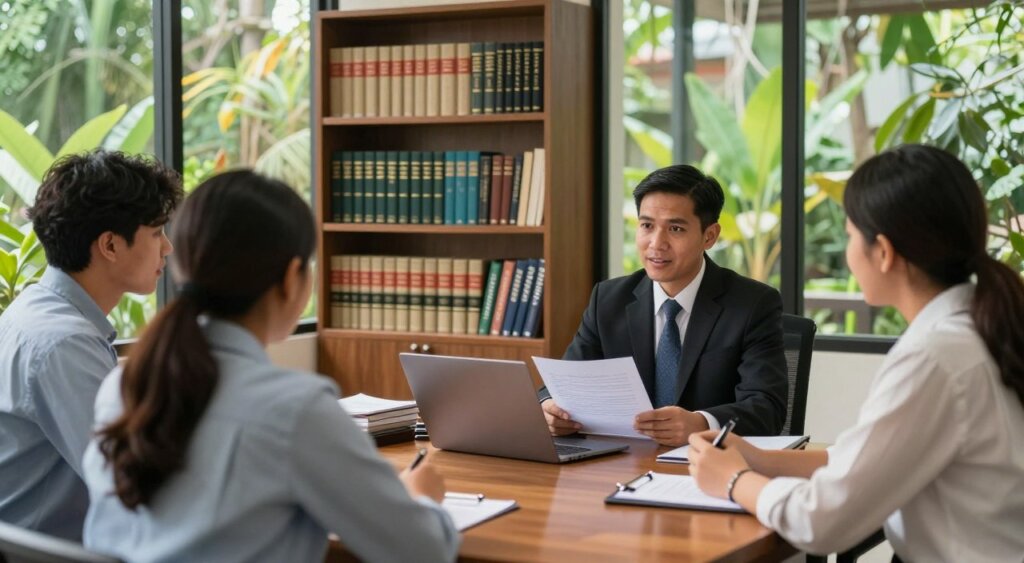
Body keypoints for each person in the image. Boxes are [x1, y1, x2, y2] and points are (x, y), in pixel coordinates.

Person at [81, 170, 459, 563]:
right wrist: (421, 499)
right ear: (291, 276)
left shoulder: (123, 384)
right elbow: (423, 551)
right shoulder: (296, 408)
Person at [687, 144, 1024, 561]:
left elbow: (820, 522)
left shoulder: (937, 356)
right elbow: (862, 459)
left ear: (883, 252)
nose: (847, 253)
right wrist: (759, 458)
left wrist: (734, 479)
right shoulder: (977, 327)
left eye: (849, 234)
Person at [0, 150, 182, 540]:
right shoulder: (64, 344)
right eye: (156, 233)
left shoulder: (35, 312)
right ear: (110, 246)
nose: (167, 248)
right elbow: (132, 482)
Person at [540, 164, 787, 446]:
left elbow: (768, 408)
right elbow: (566, 383)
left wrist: (701, 423)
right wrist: (550, 408)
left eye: (676, 228)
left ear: (710, 236)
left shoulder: (752, 305)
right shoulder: (608, 300)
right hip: (621, 463)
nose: (656, 244)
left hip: (708, 466)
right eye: (647, 226)